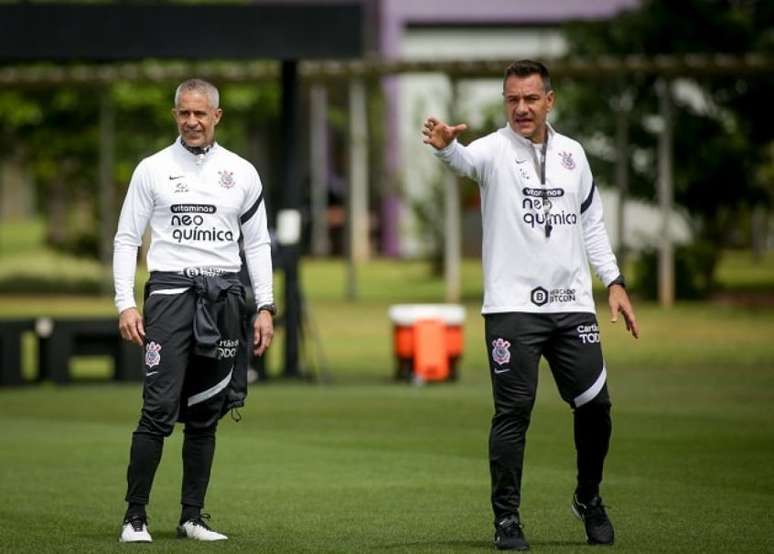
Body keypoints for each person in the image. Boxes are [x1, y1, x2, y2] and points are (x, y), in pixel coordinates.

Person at [422, 60, 639, 550]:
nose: (521, 108)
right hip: (512, 308)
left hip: (572, 305)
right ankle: (507, 519)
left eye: (530, 98)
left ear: (549, 100)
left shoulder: (574, 156)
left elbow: (593, 226)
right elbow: (463, 161)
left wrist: (615, 282)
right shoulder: (491, 151)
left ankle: (588, 497)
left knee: (596, 408)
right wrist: (445, 148)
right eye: (512, 99)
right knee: (514, 412)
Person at [113, 78, 275, 543]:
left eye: (200, 113)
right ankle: (135, 518)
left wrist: (264, 306)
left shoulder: (242, 172)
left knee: (206, 413)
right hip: (168, 298)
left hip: (224, 299)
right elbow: (126, 238)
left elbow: (257, 243)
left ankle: (192, 517)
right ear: (174, 114)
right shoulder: (152, 169)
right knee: (158, 410)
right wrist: (125, 302)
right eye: (184, 113)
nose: (192, 121)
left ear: (217, 116)